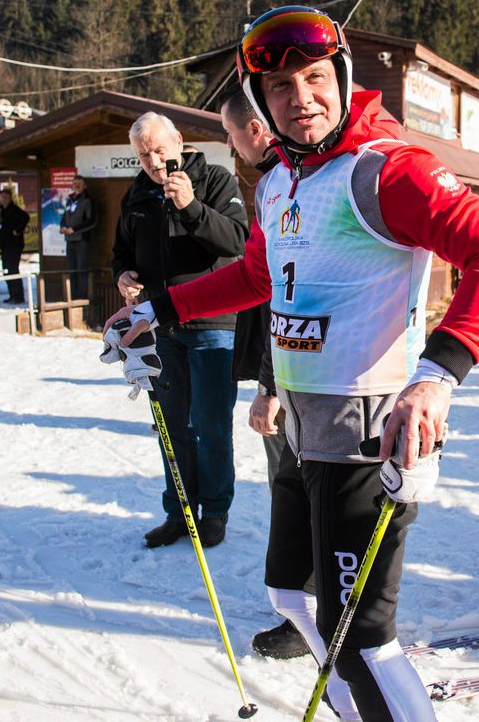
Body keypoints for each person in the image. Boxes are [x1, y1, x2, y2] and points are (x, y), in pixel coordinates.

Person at [103, 5, 479, 720]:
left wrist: (437, 376)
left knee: (360, 637)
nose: (299, 98)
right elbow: (257, 277)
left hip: (367, 432)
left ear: (341, 76)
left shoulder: (387, 169)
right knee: (291, 598)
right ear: (261, 102)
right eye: (279, 88)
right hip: (302, 433)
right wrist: (159, 309)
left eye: (313, 78)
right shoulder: (280, 181)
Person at [113, 112, 249, 549]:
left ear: (179, 142)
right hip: (160, 323)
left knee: (210, 424)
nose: (153, 160)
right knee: (171, 426)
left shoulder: (214, 179)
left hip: (213, 324)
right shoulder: (135, 195)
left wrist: (191, 207)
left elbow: (238, 244)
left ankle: (215, 511)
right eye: (143, 153)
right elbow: (119, 252)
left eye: (158, 149)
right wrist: (123, 275)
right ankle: (179, 511)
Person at [219, 86, 311, 662]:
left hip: (299, 371)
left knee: (298, 488)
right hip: (291, 364)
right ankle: (309, 606)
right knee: (298, 487)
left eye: (231, 136)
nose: (232, 149)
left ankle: (309, 613)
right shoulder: (281, 181)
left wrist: (270, 386)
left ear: (254, 129)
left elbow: (291, 294)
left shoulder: (290, 184)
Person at [61, 175, 96, 301]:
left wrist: (74, 229)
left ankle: (82, 296)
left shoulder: (88, 200)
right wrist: (63, 226)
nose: (76, 186)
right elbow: (65, 217)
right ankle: (73, 295)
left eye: (79, 184)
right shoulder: (70, 200)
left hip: (82, 240)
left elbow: (92, 220)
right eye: (75, 183)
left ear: (84, 186)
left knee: (81, 269)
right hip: (69, 240)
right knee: (71, 268)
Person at [0, 188, 30, 304]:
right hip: (5, 245)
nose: (4, 199)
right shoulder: (2, 210)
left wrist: (18, 230)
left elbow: (26, 217)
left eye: (6, 197)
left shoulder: (14, 210)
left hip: (14, 245)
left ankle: (18, 296)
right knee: (6, 271)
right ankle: (12, 295)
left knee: (13, 270)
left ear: (10, 198)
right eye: (2, 197)